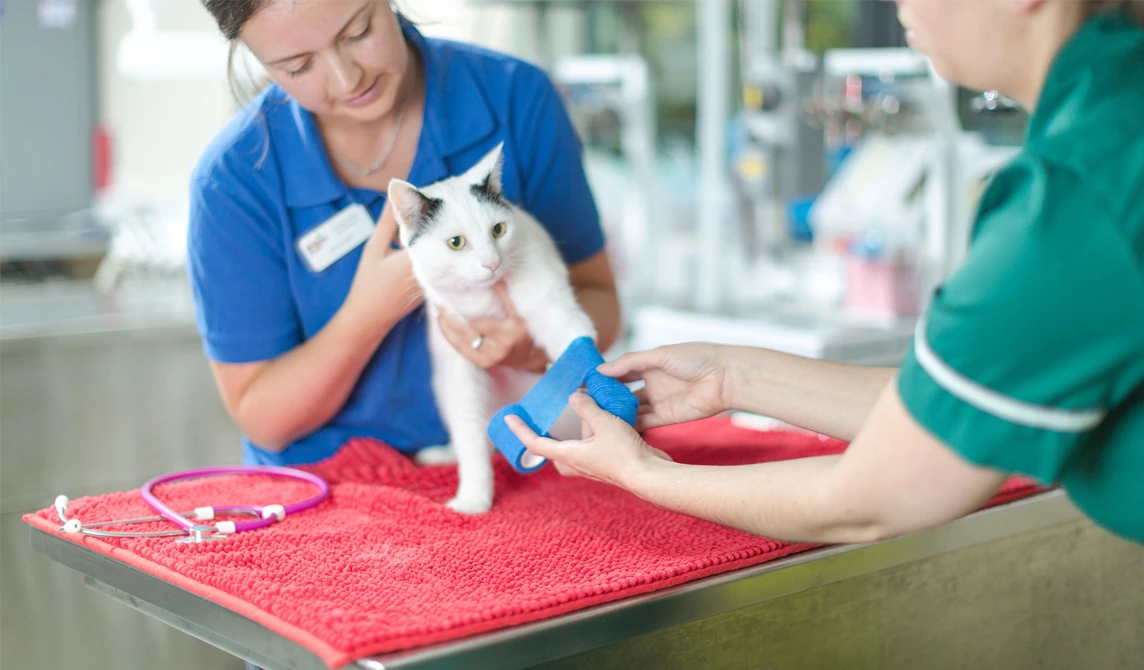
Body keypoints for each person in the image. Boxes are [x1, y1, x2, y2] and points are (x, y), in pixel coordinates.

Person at [508, 0, 1144, 544]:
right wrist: (731, 376)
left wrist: (643, 473)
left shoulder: (1077, 193)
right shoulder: (1115, 114)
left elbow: (875, 498)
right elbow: (935, 411)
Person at [189, 0, 621, 469]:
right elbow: (263, 416)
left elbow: (600, 302)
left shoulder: (515, 99)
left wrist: (531, 347)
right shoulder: (234, 181)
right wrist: (367, 314)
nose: (346, 77)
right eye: (298, 66)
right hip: (323, 489)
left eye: (357, 32)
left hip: (504, 468)